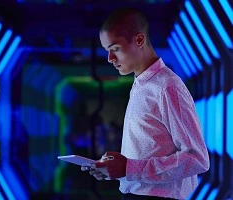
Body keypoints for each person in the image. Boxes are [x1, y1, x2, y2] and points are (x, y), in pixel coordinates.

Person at [80, 7, 210, 200]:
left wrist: (128, 168)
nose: (110, 59)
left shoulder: (168, 87)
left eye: (115, 49)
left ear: (139, 40)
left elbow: (197, 159)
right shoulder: (141, 84)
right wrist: (114, 169)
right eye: (108, 51)